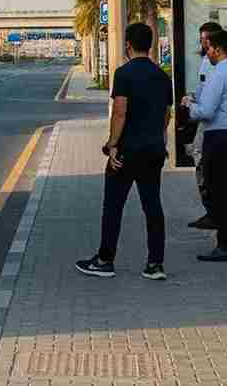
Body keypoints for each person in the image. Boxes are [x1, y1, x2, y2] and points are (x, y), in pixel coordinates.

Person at [76, 23, 173, 280]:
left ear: (128, 44)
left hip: (126, 152)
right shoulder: (163, 77)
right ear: (150, 45)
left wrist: (112, 145)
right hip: (153, 151)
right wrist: (157, 138)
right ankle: (155, 264)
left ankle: (105, 260)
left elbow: (120, 111)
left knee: (113, 206)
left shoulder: (124, 74)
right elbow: (167, 114)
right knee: (153, 206)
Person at [182, 29, 227, 262]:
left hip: (219, 137)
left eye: (209, 48)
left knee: (219, 192)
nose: (207, 52)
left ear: (218, 49)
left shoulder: (219, 74)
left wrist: (189, 104)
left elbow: (206, 111)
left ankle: (226, 244)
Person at [188, 21, 224, 230]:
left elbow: (210, 101)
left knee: (203, 159)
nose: (203, 44)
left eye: (206, 40)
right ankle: (212, 210)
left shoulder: (218, 65)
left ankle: (214, 211)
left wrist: (193, 106)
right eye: (201, 40)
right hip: (207, 117)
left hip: (212, 121)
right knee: (200, 157)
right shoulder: (207, 61)